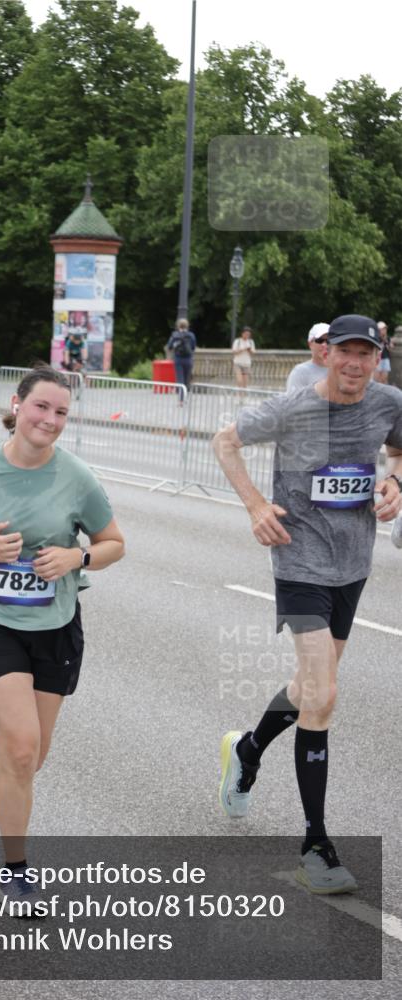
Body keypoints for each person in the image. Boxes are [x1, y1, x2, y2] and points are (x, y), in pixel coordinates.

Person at [0, 365, 125, 914]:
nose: (50, 421)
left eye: (61, 412)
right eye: (41, 408)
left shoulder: (78, 478)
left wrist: (77, 557)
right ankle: (16, 874)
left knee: (29, 760)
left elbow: (114, 544)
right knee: (22, 746)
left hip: (54, 626)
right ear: (17, 405)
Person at [212, 314, 402, 893]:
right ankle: (316, 845)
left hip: (352, 566)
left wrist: (395, 481)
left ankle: (247, 749)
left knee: (310, 687)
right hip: (298, 562)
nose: (354, 363)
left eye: (365, 354)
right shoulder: (292, 408)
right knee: (324, 695)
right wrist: (254, 507)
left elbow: (397, 449)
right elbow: (225, 441)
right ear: (326, 356)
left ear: (378, 359)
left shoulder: (389, 401)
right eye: (345, 352)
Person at [285, 323, 330, 393]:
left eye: (329, 341)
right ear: (310, 344)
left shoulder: (340, 369)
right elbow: (293, 402)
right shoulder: (300, 372)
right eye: (319, 340)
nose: (325, 345)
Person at [165, 318, 197, 392]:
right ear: (187, 326)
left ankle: (181, 400)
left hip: (178, 359)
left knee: (180, 379)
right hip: (188, 359)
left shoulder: (175, 335)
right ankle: (186, 398)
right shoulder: (191, 335)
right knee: (187, 380)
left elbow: (169, 346)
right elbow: (193, 347)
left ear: (178, 326)